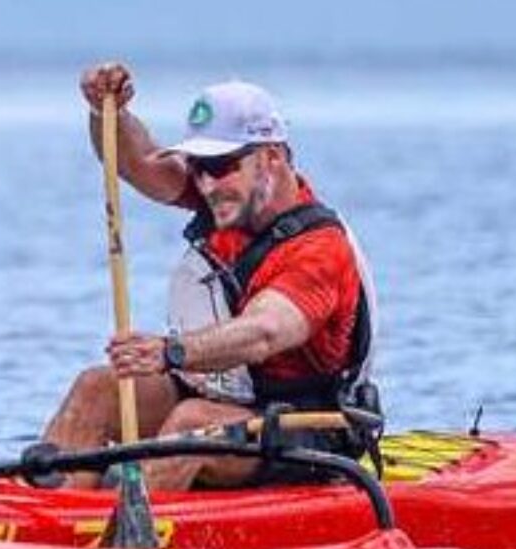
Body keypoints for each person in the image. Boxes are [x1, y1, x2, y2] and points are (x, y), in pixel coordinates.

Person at [41, 62, 378, 491]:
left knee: (192, 425)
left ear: (271, 158)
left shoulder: (319, 250)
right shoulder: (225, 200)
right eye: (198, 166)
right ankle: (46, 521)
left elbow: (265, 332)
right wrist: (108, 113)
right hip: (228, 401)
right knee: (98, 388)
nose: (207, 183)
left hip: (308, 427)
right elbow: (139, 162)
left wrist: (171, 353)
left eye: (220, 166)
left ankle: (125, 542)